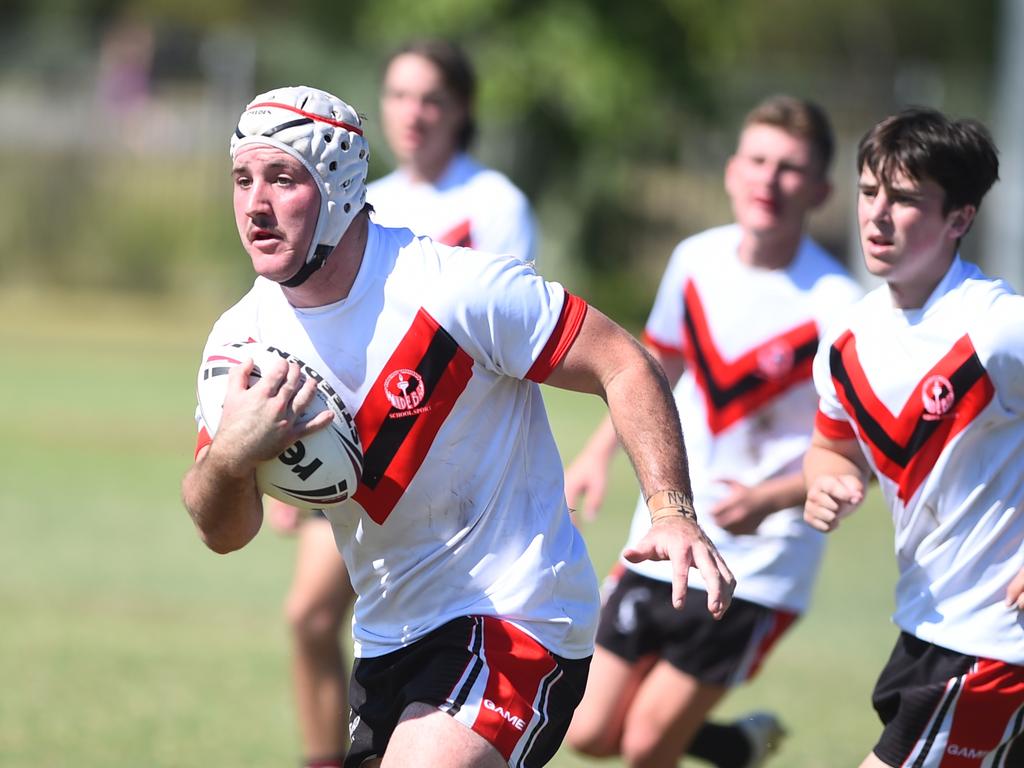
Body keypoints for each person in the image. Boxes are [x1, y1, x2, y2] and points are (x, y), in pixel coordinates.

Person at [182, 85, 735, 768]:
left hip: (517, 615)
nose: (254, 204)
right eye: (242, 179)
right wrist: (228, 459)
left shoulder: (453, 288)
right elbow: (225, 533)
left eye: (282, 178)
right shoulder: (240, 344)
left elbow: (623, 362)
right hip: (389, 637)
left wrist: (671, 510)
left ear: (339, 185)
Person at [562, 95, 863, 768]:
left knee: (643, 747)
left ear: (819, 190)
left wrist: (767, 500)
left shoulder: (838, 306)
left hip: (760, 563)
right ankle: (734, 746)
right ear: (731, 171)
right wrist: (596, 451)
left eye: (790, 168)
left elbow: (852, 456)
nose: (769, 180)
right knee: (587, 732)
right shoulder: (695, 259)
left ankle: (708, 742)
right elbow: (650, 368)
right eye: (757, 160)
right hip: (670, 530)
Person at [262, 40, 538, 768]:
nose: (412, 113)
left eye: (430, 99)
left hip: (446, 463)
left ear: (461, 111)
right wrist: (293, 464)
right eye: (398, 95)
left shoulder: (494, 204)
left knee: (428, 640)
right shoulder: (363, 199)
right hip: (355, 454)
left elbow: (514, 344)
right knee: (310, 617)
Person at [804, 107, 1024, 767]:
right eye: (870, 191)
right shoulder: (846, 340)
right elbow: (830, 447)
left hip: (995, 637)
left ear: (960, 218)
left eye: (904, 199)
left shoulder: (998, 328)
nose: (876, 214)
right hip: (927, 623)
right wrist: (825, 481)